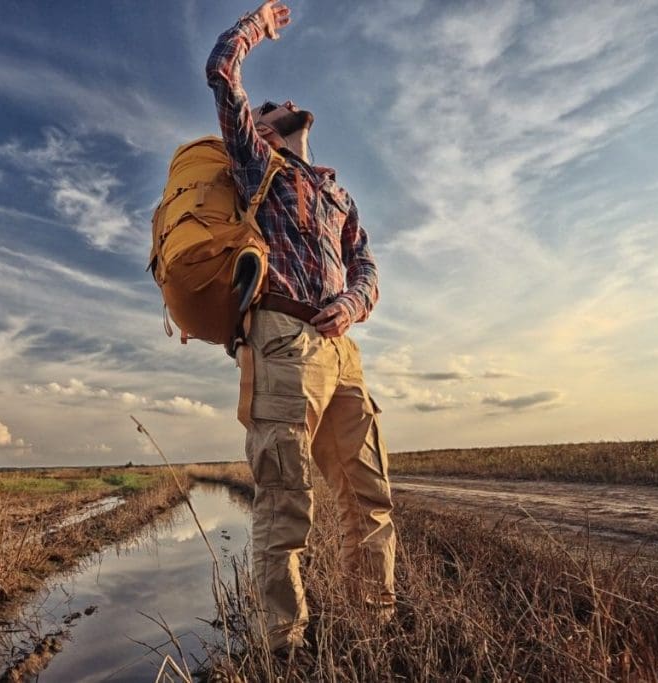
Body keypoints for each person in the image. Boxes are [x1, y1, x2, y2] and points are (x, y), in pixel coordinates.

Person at [206, 0, 397, 657]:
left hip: (344, 351)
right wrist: (257, 25)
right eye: (266, 107)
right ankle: (283, 650)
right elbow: (221, 71)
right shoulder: (258, 165)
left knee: (370, 498)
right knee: (286, 506)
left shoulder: (339, 194)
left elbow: (368, 264)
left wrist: (352, 301)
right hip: (283, 342)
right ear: (258, 129)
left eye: (275, 104)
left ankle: (376, 632)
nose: (280, 101)